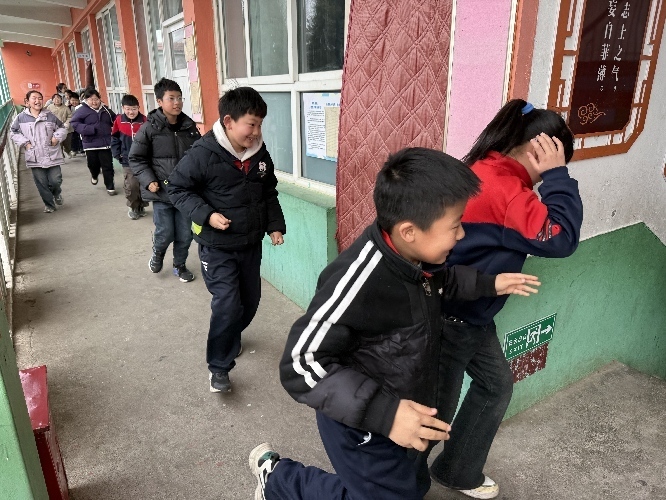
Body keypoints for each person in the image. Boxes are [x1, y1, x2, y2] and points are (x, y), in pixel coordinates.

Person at [248, 147, 541, 500]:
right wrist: (386, 414)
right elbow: (299, 363)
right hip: (361, 421)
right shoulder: (359, 278)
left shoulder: (415, 258)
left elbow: (441, 282)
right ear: (410, 231)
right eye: (455, 226)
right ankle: (278, 480)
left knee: (405, 486)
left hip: (403, 405)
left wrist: (488, 284)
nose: (462, 234)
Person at [419, 100, 583, 499]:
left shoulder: (487, 168)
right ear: (538, 149)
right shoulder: (505, 188)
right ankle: (394, 486)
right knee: (431, 417)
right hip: (452, 317)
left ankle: (457, 470)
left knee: (495, 387)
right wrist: (557, 176)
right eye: (555, 157)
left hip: (470, 312)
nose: (550, 171)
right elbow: (561, 238)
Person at [167, 87, 287, 393]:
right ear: (229, 121)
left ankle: (231, 334)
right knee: (228, 304)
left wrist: (274, 225)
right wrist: (207, 215)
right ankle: (218, 367)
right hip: (216, 247)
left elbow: (268, 192)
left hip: (250, 244)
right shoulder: (203, 153)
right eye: (251, 124)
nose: (256, 132)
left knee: (250, 301)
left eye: (260, 124)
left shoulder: (259, 153)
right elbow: (177, 188)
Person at [128, 78, 201, 282]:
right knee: (165, 232)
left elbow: (200, 155)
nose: (177, 102)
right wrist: (148, 180)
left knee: (185, 234)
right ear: (160, 101)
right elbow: (136, 158)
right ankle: (158, 253)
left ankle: (180, 265)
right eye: (171, 98)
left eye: (179, 98)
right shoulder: (149, 128)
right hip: (162, 192)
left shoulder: (189, 127)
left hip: (185, 193)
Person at [10, 91, 67, 213]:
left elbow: (62, 128)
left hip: (51, 154)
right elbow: (13, 132)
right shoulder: (21, 118)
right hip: (34, 155)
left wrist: (56, 137)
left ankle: (56, 193)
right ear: (27, 102)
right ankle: (49, 205)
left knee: (55, 180)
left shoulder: (50, 115)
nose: (37, 101)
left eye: (40, 98)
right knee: (42, 183)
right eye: (34, 98)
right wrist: (26, 143)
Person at [71, 88, 117, 195]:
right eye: (91, 99)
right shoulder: (81, 110)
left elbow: (115, 120)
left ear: (99, 99)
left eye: (96, 99)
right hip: (90, 143)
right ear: (86, 100)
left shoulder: (105, 110)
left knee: (108, 166)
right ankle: (94, 175)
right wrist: (89, 129)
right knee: (93, 165)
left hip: (105, 143)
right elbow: (74, 123)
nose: (94, 102)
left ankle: (110, 186)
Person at [111, 94, 148, 220]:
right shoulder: (119, 121)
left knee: (143, 184)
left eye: (134, 109)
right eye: (128, 109)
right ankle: (133, 206)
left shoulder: (145, 121)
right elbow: (114, 138)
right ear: (123, 108)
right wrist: (118, 154)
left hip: (143, 160)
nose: (131, 112)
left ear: (138, 108)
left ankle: (141, 205)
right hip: (127, 159)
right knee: (131, 185)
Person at [46, 93, 72, 158]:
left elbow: (70, 116)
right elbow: (46, 116)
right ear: (52, 100)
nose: (57, 100)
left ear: (61, 99)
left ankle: (67, 151)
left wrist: (67, 123)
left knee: (67, 143)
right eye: (55, 99)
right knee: (58, 142)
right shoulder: (49, 107)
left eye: (58, 99)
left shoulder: (66, 108)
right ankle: (61, 156)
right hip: (55, 128)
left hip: (65, 128)